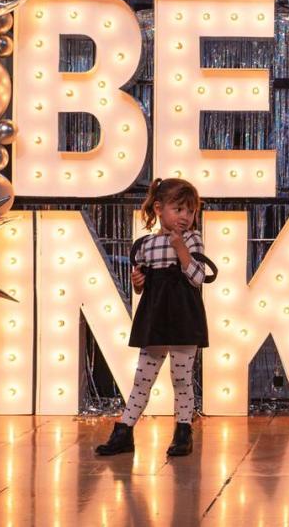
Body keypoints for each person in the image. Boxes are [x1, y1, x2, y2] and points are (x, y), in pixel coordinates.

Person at [96, 178, 216, 457]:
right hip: (155, 318)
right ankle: (124, 431)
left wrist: (182, 250)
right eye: (179, 209)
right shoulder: (146, 245)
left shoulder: (193, 240)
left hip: (184, 318)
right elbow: (143, 287)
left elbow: (198, 278)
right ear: (159, 209)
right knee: (143, 377)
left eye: (191, 211)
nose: (186, 217)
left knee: (182, 378)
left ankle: (183, 431)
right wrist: (138, 282)